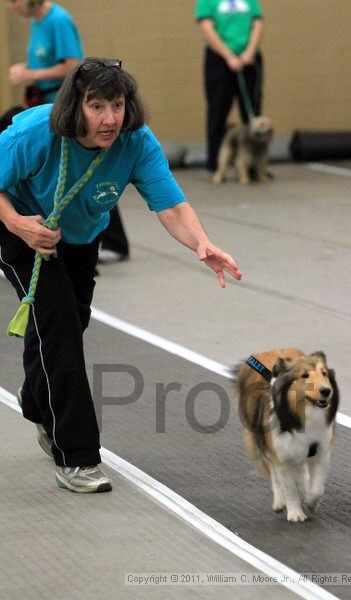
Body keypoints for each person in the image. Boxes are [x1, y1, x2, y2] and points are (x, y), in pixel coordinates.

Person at [0, 57, 242, 494]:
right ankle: (76, 457)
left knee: (68, 325)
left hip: (80, 235)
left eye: (117, 105)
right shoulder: (33, 133)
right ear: (77, 106)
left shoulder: (136, 142)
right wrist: (17, 223)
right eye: (97, 106)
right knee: (59, 332)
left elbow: (170, 204)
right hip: (21, 226)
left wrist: (201, 243)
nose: (110, 118)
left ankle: (37, 399)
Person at [5, 0, 129, 261]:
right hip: (44, 104)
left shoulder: (57, 20)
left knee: (93, 169)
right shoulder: (37, 22)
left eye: (15, 1)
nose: (11, 6)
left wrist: (31, 74)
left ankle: (114, 242)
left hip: (67, 109)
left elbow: (72, 65)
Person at [195, 0, 264, 172]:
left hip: (249, 60)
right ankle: (216, 164)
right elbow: (207, 28)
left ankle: (254, 165)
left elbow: (257, 23)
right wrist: (228, 56)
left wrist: (249, 52)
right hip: (219, 61)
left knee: (252, 113)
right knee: (217, 112)